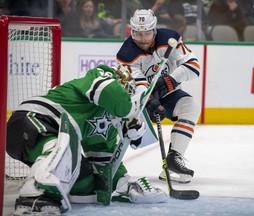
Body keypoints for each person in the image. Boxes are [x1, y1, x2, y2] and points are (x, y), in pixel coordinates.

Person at [6, 64, 167, 215]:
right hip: (31, 120)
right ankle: (32, 197)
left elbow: (105, 165)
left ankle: (48, 194)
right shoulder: (103, 75)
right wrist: (130, 113)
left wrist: (125, 183)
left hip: (46, 140)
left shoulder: (109, 127)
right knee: (65, 151)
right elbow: (112, 94)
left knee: (86, 185)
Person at [116, 9, 201, 183]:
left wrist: (171, 80)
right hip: (138, 102)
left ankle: (173, 160)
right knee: (124, 129)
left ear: (154, 30)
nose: (142, 39)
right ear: (131, 32)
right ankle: (109, 165)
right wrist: (147, 100)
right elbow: (134, 86)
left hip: (169, 94)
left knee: (190, 106)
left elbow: (194, 67)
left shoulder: (170, 40)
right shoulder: (126, 54)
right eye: (138, 34)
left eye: (147, 33)